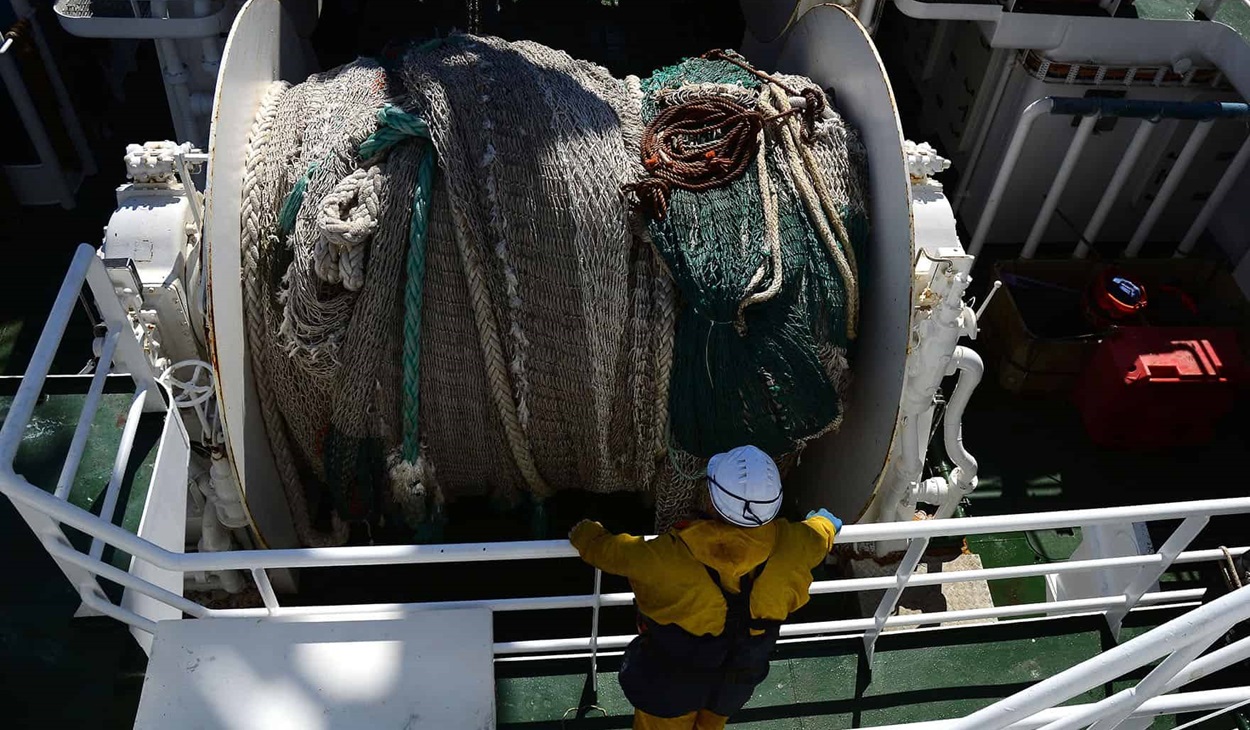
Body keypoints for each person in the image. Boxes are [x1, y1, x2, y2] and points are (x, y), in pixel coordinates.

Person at [569, 444, 842, 730]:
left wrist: (586, 534)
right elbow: (821, 533)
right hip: (734, 684)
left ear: (712, 500)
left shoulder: (665, 555)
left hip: (670, 687)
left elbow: (610, 552)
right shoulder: (797, 544)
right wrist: (826, 522)